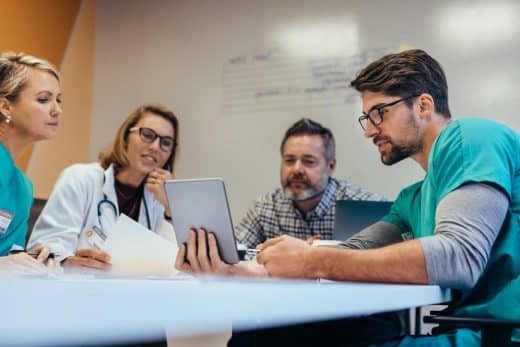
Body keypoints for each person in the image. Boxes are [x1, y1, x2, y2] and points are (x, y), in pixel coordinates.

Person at [177, 49, 519, 346]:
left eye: (378, 113)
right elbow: (351, 252)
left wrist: (311, 261)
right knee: (260, 334)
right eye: (366, 118)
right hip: (470, 332)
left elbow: (460, 256)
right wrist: (237, 271)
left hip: (497, 336)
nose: (369, 130)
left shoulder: (471, 137)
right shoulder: (411, 199)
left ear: (424, 105)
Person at [28, 104, 179, 272]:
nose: (155, 147)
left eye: (166, 143)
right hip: (77, 290)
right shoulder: (80, 178)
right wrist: (67, 261)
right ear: (125, 137)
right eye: (147, 135)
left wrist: (170, 206)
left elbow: (175, 266)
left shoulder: (160, 200)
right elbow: (45, 247)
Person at [236, 117, 384, 249]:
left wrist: (312, 257)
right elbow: (233, 254)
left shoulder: (366, 206)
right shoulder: (266, 206)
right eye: (289, 160)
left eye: (309, 161)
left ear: (330, 166)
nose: (297, 169)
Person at [0, 51, 60, 274]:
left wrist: (33, 258)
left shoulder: (23, 188)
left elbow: (9, 256)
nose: (57, 110)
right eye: (44, 100)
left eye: (58, 100)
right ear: (6, 107)